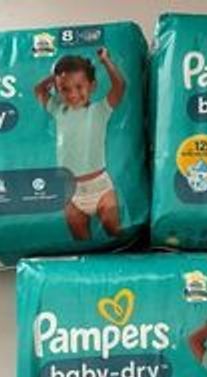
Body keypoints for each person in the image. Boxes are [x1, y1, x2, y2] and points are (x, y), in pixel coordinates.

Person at [34, 47, 125, 240]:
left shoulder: (100, 110)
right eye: (65, 89)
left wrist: (106, 61)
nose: (73, 94)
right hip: (70, 191)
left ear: (92, 86)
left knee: (114, 231)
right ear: (58, 89)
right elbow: (39, 90)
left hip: (100, 186)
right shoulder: (58, 110)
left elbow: (119, 86)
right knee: (81, 241)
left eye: (79, 87)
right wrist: (55, 76)